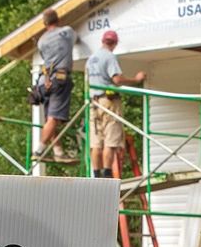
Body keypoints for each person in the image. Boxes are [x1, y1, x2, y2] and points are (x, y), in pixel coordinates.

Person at [85, 29, 146, 176]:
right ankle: (107, 174)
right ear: (115, 43)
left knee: (96, 142)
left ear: (102, 41)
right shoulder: (109, 57)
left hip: (93, 102)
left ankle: (97, 175)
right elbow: (117, 80)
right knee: (110, 141)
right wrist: (136, 80)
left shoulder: (91, 59)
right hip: (109, 102)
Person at [35, 14, 76, 163]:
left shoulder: (41, 41)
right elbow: (74, 40)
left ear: (44, 24)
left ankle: (58, 151)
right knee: (53, 119)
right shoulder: (67, 32)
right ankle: (39, 150)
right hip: (59, 79)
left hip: (43, 81)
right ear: (58, 20)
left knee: (49, 120)